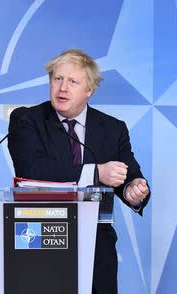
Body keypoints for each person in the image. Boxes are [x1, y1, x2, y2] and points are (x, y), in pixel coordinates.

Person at [8, 49, 150, 294]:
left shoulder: (112, 128)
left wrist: (133, 191)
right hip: (42, 239)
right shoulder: (27, 119)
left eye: (72, 81)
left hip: (96, 247)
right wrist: (96, 173)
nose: (62, 88)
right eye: (57, 79)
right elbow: (30, 169)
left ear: (89, 90)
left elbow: (129, 176)